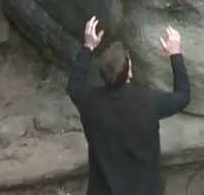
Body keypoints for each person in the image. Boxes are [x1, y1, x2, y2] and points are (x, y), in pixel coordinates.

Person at [66, 16, 190, 195]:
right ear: (129, 73)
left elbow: (74, 85)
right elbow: (183, 96)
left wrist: (88, 46)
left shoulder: (89, 102)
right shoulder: (149, 102)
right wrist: (175, 54)